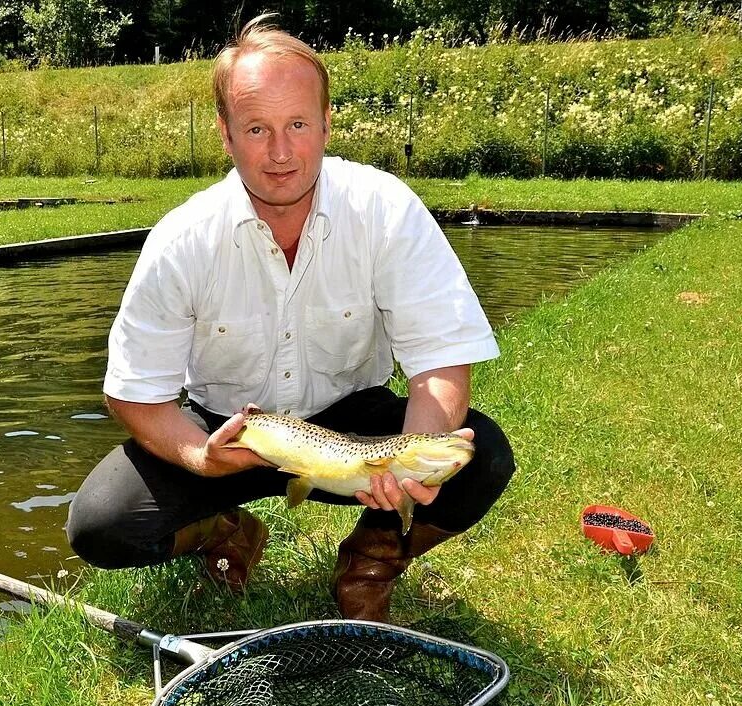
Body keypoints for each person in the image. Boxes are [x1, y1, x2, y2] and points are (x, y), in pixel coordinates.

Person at [66, 15, 515, 622]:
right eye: (257, 128)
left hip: (348, 417)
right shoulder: (181, 240)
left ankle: (372, 558)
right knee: (101, 523)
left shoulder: (386, 211)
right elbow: (133, 394)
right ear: (225, 135)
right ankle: (224, 529)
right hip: (231, 429)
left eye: (298, 125)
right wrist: (202, 458)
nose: (281, 153)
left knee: (480, 454)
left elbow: (440, 359)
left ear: (327, 122)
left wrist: (406, 458)